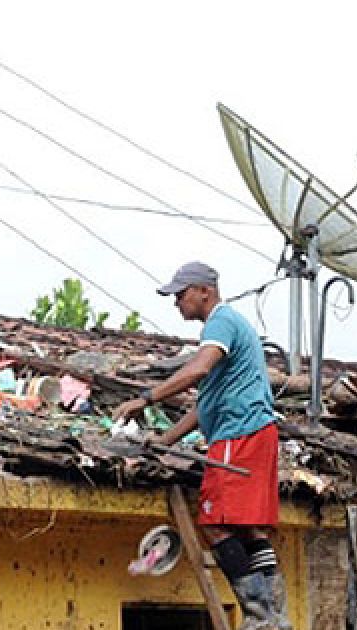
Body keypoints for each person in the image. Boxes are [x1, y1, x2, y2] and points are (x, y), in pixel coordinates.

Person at [113, 261, 290, 630]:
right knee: (251, 528)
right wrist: (164, 441)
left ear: (204, 291)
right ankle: (276, 618)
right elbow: (203, 406)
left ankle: (260, 618)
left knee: (214, 524)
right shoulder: (230, 329)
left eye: (181, 294)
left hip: (238, 434)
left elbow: (197, 371)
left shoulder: (220, 323)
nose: (176, 302)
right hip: (257, 433)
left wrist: (145, 399)